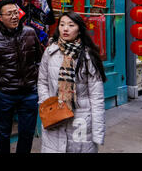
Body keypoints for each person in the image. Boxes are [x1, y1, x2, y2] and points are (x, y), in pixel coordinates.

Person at [38, 11, 107, 153]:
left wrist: (98, 132)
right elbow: (42, 82)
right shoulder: (50, 52)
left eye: (71, 25)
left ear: (79, 29)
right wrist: (47, 102)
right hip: (54, 118)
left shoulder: (88, 56)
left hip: (80, 120)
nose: (65, 29)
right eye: (62, 25)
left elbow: (97, 97)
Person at [0, 0, 43, 153]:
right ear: (0, 17)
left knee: (27, 133)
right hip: (4, 93)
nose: (14, 16)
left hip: (29, 92)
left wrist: (39, 84)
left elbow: (40, 61)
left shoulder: (30, 32)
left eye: (16, 12)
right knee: (2, 133)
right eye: (9, 14)